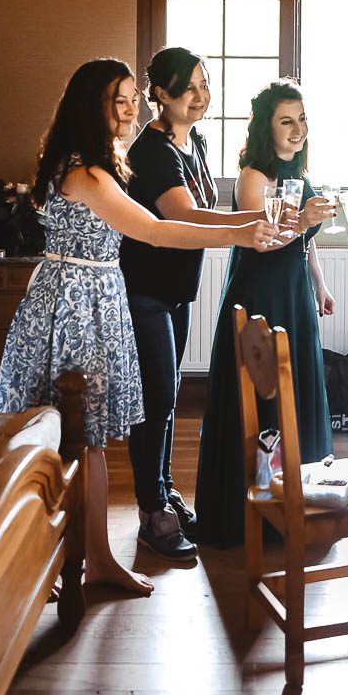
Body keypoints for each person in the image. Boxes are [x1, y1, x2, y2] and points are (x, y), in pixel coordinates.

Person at [0, 58, 271, 595]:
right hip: (77, 304)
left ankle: (81, 554)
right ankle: (87, 558)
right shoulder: (86, 172)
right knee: (76, 436)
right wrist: (241, 235)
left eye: (130, 98)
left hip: (84, 295)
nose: (130, 109)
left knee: (77, 437)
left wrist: (243, 227)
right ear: (89, 107)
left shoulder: (91, 164)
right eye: (116, 100)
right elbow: (156, 231)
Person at [120, 48, 263, 563]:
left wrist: (254, 219)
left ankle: (161, 489)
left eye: (206, 85)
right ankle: (151, 511)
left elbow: (208, 207)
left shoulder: (193, 141)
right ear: (160, 93)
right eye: (190, 88)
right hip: (144, 290)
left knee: (168, 395)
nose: (201, 97)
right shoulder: (152, 152)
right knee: (156, 399)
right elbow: (183, 218)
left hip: (175, 290)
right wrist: (245, 233)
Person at [193, 82, 335, 547]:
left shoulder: (300, 169)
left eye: (302, 119)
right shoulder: (254, 175)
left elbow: (303, 244)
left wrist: (319, 283)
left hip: (294, 290)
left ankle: (304, 501)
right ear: (265, 128)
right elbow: (268, 239)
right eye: (286, 121)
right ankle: (249, 511)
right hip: (261, 292)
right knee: (262, 393)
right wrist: (306, 220)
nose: (298, 130)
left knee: (299, 389)